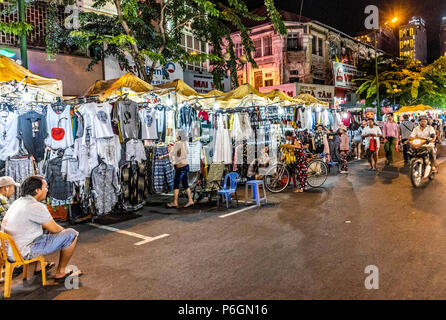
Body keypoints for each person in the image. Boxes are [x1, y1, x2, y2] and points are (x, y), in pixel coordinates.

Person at [1, 176, 81, 282]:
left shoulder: (18, 202)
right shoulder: (34, 206)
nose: (47, 190)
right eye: (45, 187)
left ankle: (39, 266)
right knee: (71, 235)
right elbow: (56, 229)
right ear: (37, 190)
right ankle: (61, 272)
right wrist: (61, 236)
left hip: (8, 250)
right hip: (22, 252)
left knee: (44, 229)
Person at [159, 129, 194, 208]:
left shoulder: (178, 143)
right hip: (186, 165)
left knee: (176, 184)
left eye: (177, 134)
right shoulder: (185, 143)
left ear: (179, 136)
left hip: (181, 167)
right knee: (185, 184)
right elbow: (186, 153)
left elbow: (171, 154)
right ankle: (190, 200)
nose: (176, 135)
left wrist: (162, 156)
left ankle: (175, 202)